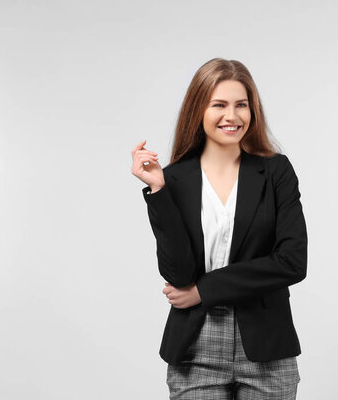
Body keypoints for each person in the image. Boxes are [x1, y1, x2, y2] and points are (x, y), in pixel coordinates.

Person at [131, 57, 308, 399]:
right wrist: (159, 192)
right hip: (196, 345)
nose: (232, 116)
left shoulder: (276, 172)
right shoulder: (175, 179)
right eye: (219, 105)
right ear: (199, 110)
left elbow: (292, 261)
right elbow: (179, 273)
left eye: (242, 105)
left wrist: (204, 290)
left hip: (267, 343)